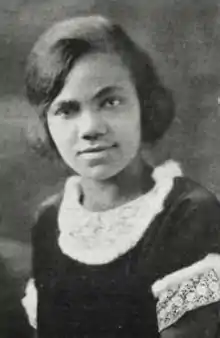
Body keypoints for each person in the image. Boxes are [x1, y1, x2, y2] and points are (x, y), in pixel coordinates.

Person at [21, 15, 220, 337]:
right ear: (47, 124)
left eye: (110, 102)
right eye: (67, 110)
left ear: (144, 105)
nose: (90, 129)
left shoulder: (188, 212)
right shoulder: (50, 220)